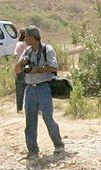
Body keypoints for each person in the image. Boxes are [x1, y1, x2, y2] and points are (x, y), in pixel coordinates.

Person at [18, 27, 65, 159]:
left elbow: (54, 66)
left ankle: (58, 145)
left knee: (48, 118)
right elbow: (17, 69)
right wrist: (21, 63)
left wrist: (36, 70)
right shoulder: (27, 51)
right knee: (30, 121)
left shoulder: (47, 50)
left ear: (33, 37)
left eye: (26, 36)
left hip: (43, 87)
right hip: (30, 88)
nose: (25, 39)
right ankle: (32, 150)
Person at [13, 29, 28, 113]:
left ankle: (19, 108)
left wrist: (15, 70)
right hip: (29, 68)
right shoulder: (30, 45)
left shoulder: (19, 44)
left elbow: (16, 56)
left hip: (21, 67)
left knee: (19, 90)